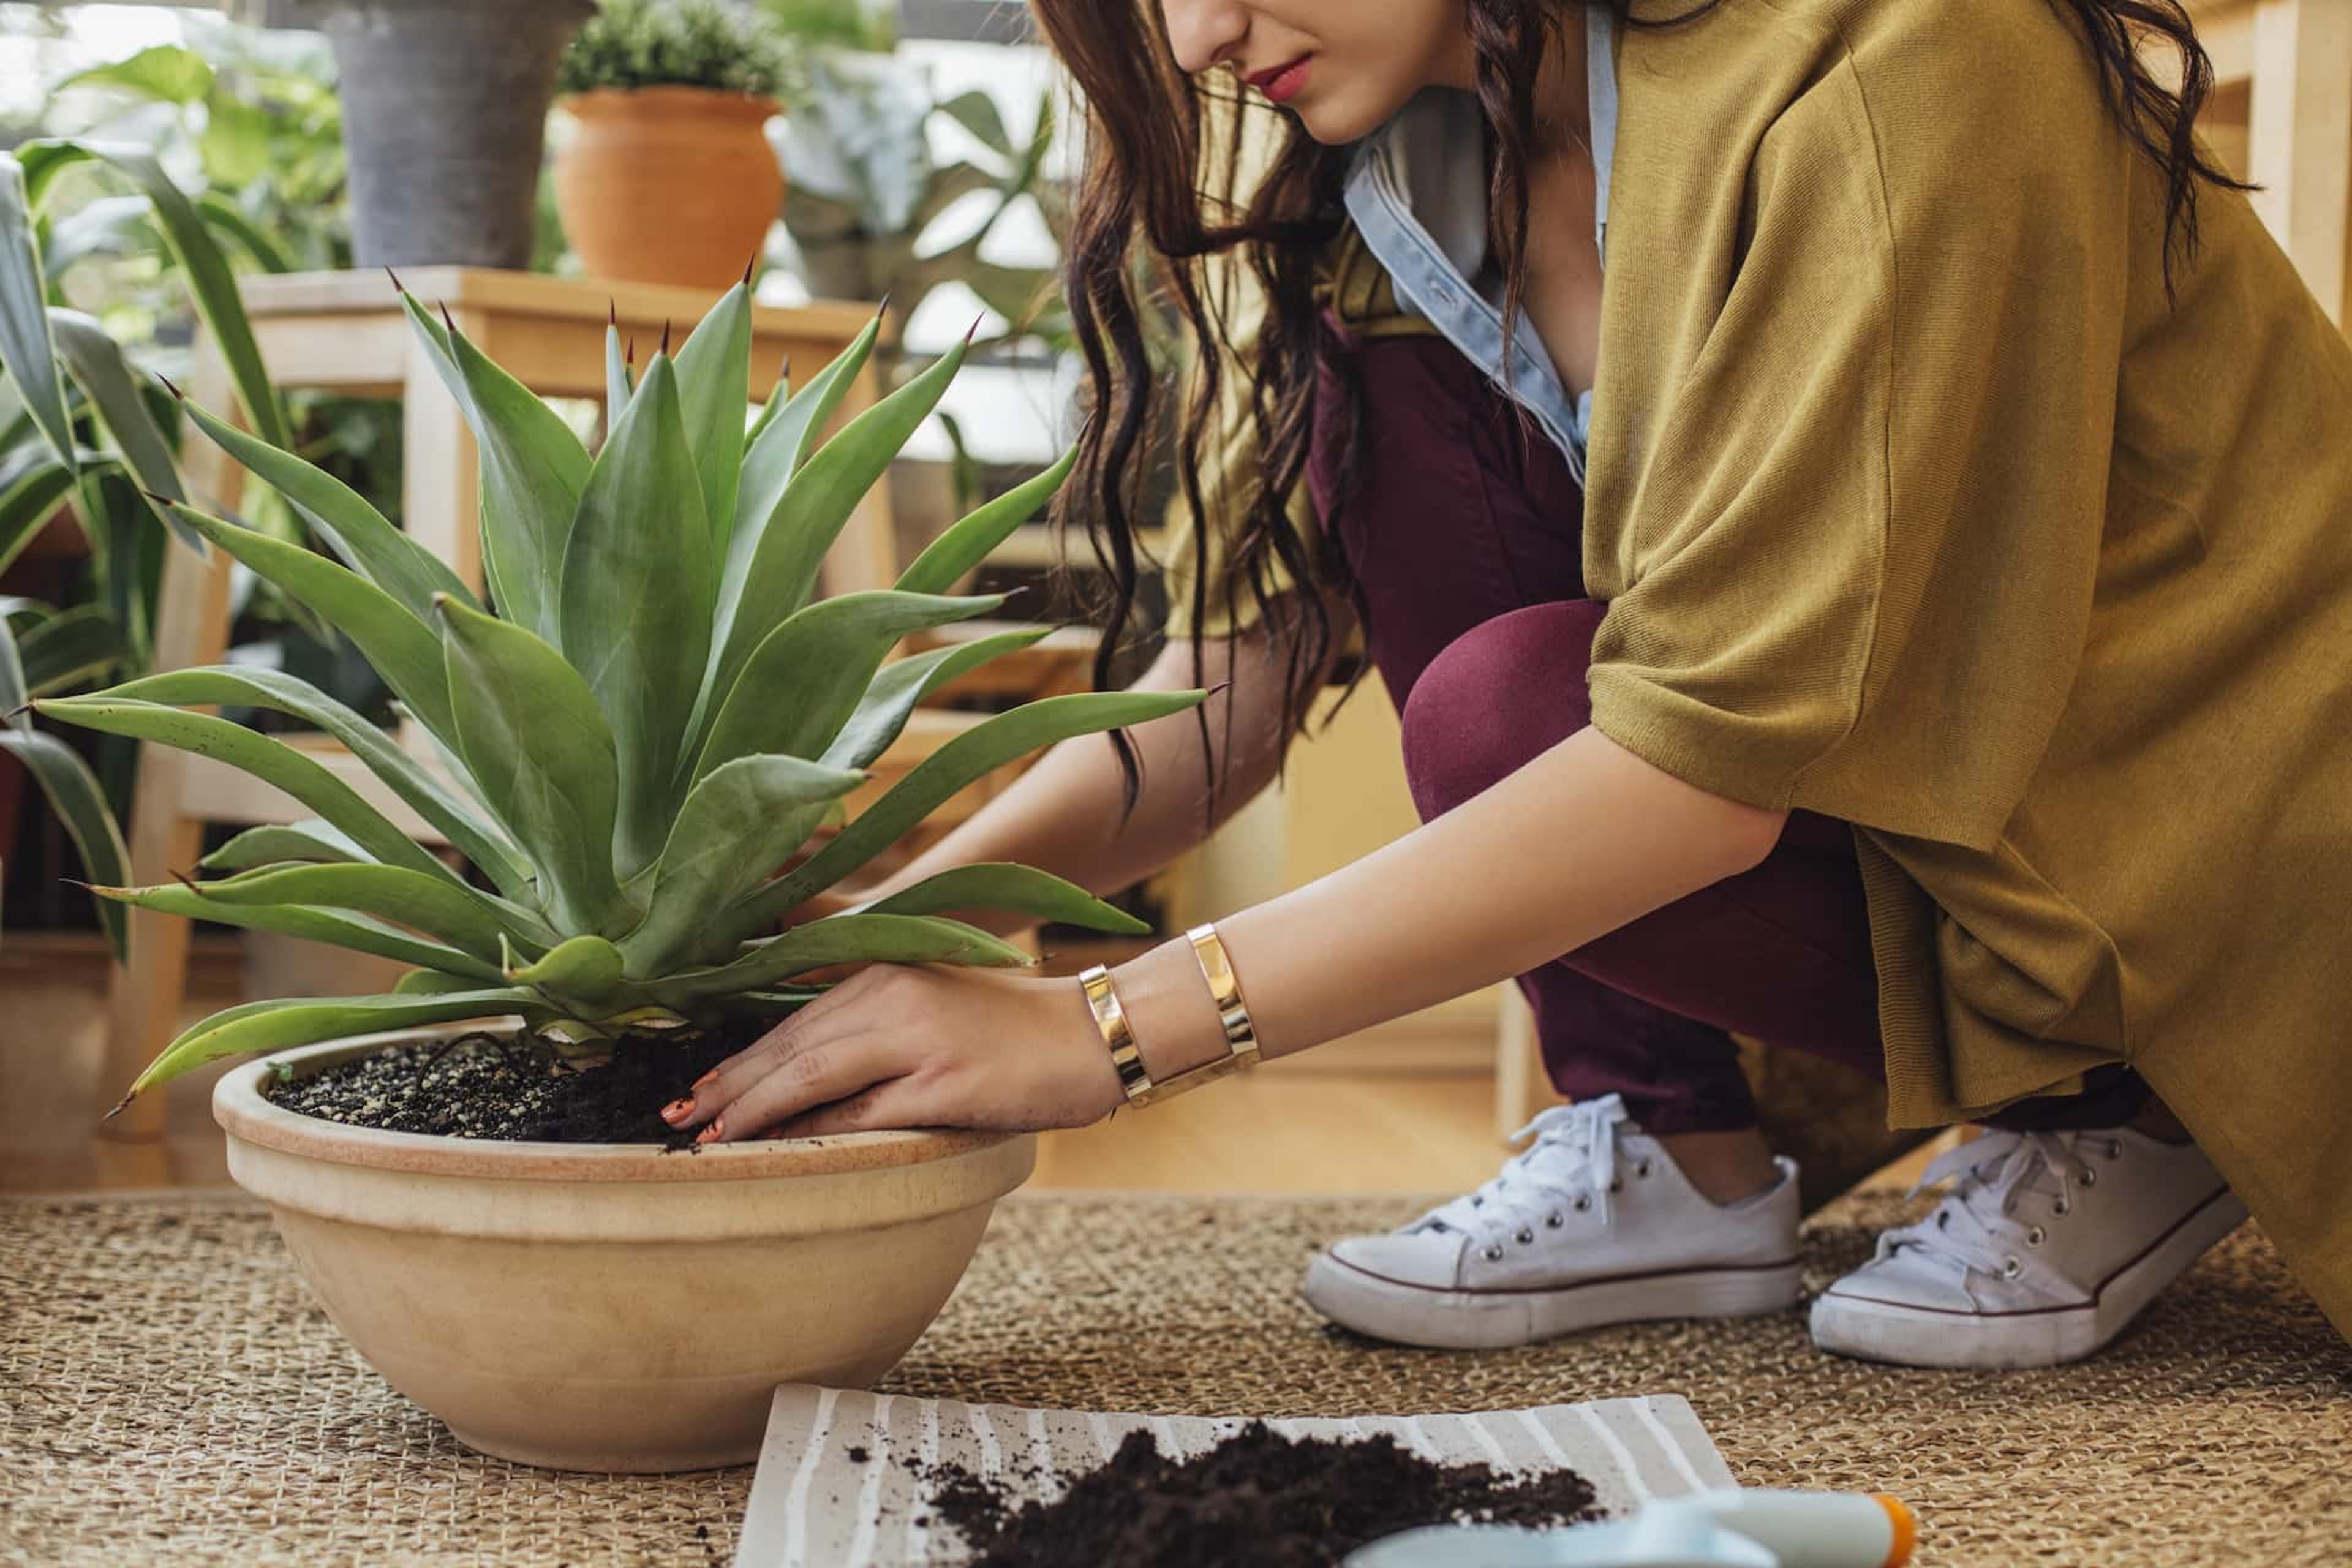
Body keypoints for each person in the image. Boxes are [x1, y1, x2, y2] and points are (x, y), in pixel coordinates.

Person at [663, 0, 2352, 1368]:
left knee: (1507, 716)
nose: (1189, 39)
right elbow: (1227, 689)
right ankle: (1670, 1146)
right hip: (1955, 842)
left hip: (2231, 868)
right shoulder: (1424, 149)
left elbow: (1703, 765)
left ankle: (2135, 1104)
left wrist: (1102, 1033)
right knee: (1469, 598)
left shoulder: (1908, 59)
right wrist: (880, 938)